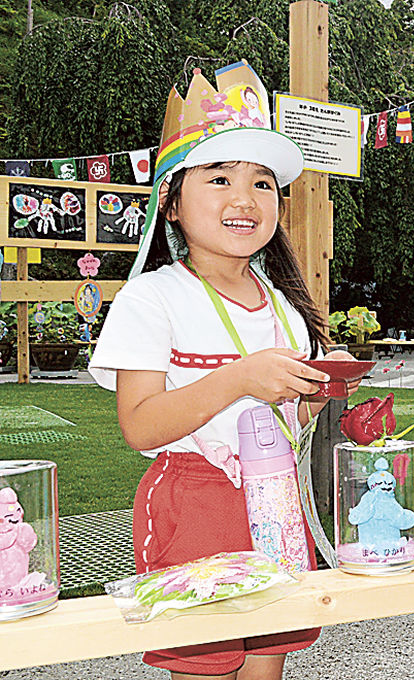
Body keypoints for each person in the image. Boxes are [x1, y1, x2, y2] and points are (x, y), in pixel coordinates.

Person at [89, 61, 358, 680]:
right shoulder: (151, 298)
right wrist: (239, 377)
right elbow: (140, 425)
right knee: (206, 666)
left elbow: (286, 417)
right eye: (218, 178)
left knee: (266, 666)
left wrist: (321, 392)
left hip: (278, 501)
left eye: (263, 183)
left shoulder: (283, 303)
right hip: (194, 502)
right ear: (171, 202)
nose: (244, 198)